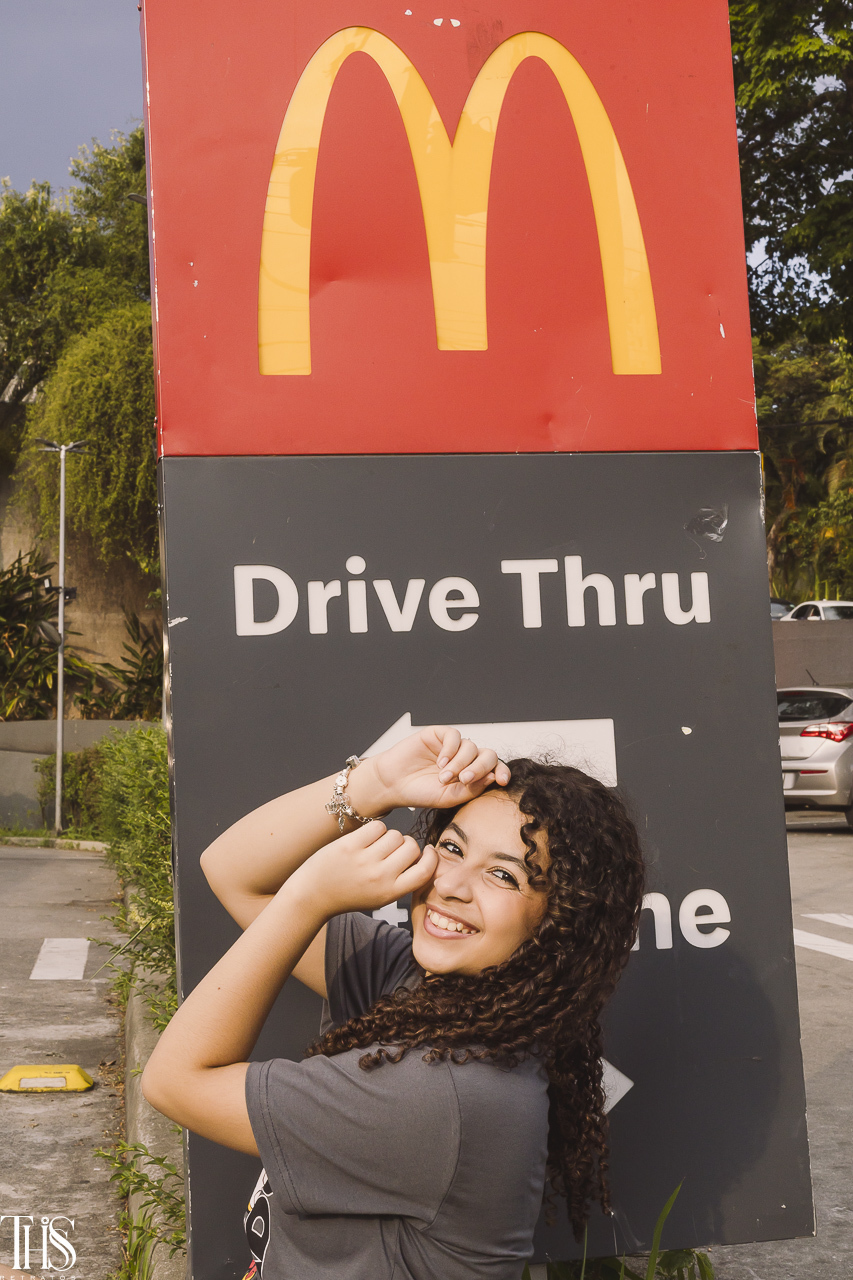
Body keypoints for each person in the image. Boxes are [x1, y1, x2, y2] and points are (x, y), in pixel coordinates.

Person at [142, 725, 644, 1280]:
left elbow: (173, 1082)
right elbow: (231, 870)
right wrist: (374, 782)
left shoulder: (443, 1095)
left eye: (504, 874)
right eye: (451, 847)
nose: (451, 884)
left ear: (557, 924)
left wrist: (310, 897)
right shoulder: (420, 983)